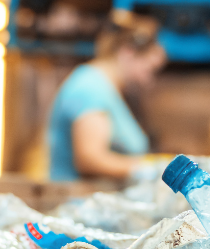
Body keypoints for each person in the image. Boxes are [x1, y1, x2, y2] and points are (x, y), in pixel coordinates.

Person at [48, 10, 167, 181]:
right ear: (128, 53)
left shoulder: (110, 92)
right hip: (79, 203)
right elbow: (89, 158)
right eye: (149, 70)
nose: (149, 81)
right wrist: (146, 169)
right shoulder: (90, 88)